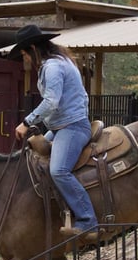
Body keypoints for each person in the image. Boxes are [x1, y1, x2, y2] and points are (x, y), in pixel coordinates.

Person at [11, 24, 99, 242]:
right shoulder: (57, 63)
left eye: (24, 54)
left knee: (59, 170)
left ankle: (88, 220)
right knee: (32, 156)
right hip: (60, 127)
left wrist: (26, 122)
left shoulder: (53, 67)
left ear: (32, 48)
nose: (26, 59)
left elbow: (51, 101)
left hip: (72, 127)